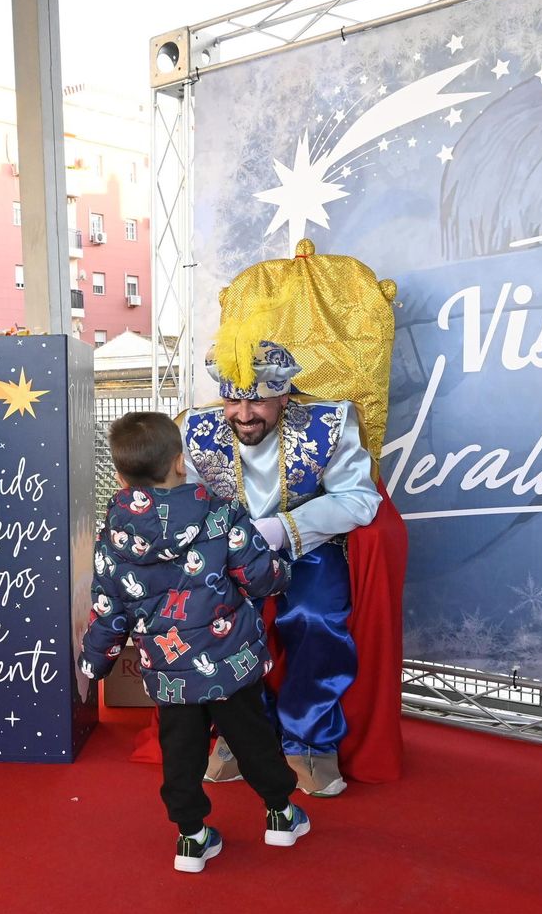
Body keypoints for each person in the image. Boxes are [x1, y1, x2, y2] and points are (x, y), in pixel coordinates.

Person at [80, 412, 308, 873]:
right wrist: (286, 573)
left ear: (122, 476)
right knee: (252, 737)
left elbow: (109, 609)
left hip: (169, 673)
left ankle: (191, 837)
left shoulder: (111, 535)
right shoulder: (222, 512)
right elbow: (259, 576)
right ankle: (282, 815)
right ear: (181, 462)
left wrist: (94, 663)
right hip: (229, 662)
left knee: (180, 751)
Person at [185, 341, 381, 797]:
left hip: (308, 544)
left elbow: (360, 498)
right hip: (229, 551)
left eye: (257, 400)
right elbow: (189, 501)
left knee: (315, 617)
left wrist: (280, 529)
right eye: (233, 399)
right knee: (212, 617)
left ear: (284, 396)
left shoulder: (329, 423)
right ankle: (237, 734)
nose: (243, 413)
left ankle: (309, 739)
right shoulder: (195, 428)